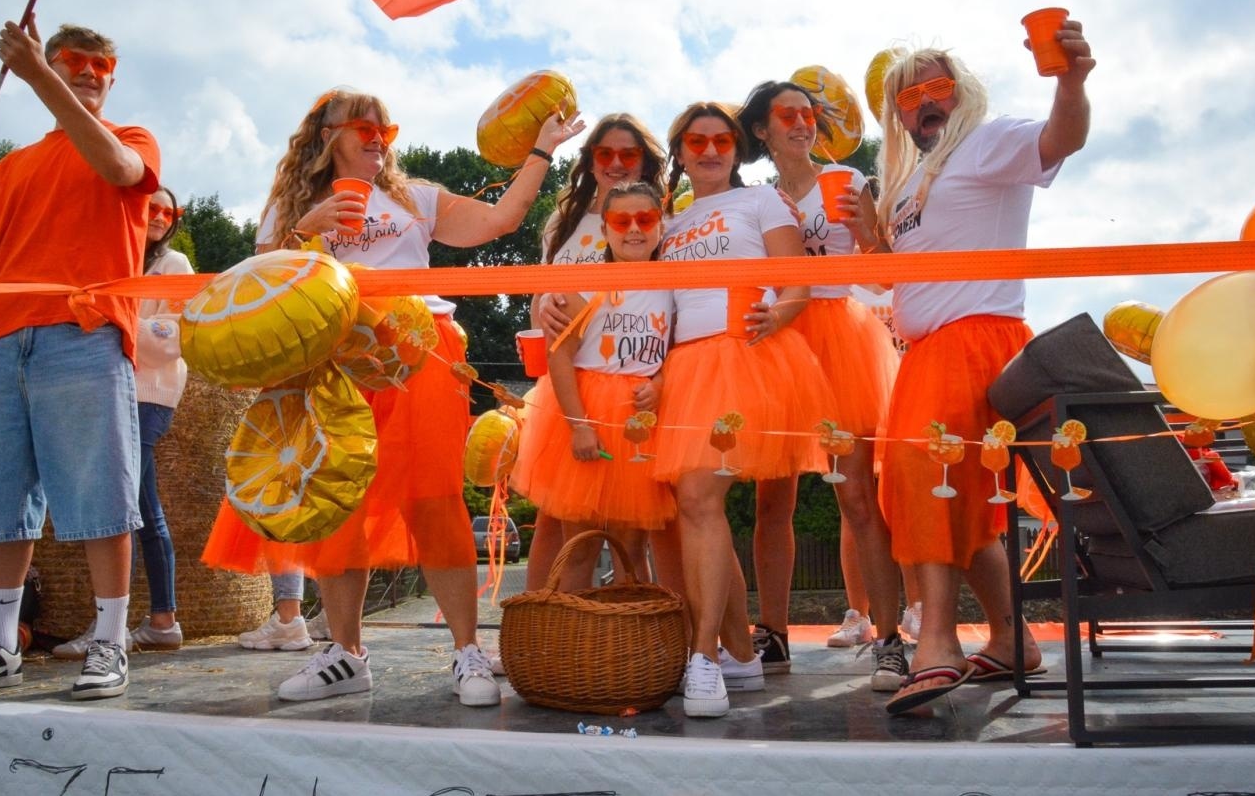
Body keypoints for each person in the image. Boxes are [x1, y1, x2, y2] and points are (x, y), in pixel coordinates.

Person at [203, 87, 581, 705]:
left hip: (420, 351)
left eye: (387, 129)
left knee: (435, 496)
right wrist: (303, 231)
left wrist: (541, 149)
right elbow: (263, 288)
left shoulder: (415, 198)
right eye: (364, 127)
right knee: (340, 504)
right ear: (327, 136)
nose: (379, 139)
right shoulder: (289, 209)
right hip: (335, 358)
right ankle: (347, 655)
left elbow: (499, 221)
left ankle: (467, 652)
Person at [0, 19, 160, 701]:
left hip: (83, 333)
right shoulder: (12, 165)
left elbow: (118, 170)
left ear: (112, 77)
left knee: (100, 495)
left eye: (101, 65)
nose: (89, 72)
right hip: (0, 339)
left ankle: (110, 642)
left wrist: (39, 77)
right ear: (53, 61)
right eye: (73, 61)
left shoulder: (133, 140)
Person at [873, 21, 1095, 714]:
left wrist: (1070, 82)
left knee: (919, 475)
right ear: (898, 114)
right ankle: (1012, 639)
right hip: (927, 350)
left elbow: (1061, 140)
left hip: (975, 338)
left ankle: (937, 642)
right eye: (909, 95)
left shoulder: (985, 140)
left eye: (938, 86)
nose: (924, 101)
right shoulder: (909, 180)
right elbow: (897, 279)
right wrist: (861, 232)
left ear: (962, 93)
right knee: (953, 496)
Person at [651, 101, 833, 718]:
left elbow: (797, 286)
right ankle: (740, 654)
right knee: (695, 508)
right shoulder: (668, 224)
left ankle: (704, 658)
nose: (708, 150)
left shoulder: (759, 202)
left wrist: (775, 315)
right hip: (682, 369)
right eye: (695, 141)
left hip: (743, 355)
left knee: (701, 501)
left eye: (720, 140)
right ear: (679, 152)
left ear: (736, 148)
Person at [737, 80, 907, 691]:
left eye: (809, 114)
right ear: (762, 129)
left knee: (857, 495)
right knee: (771, 501)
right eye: (788, 115)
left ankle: (889, 641)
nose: (802, 123)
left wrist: (869, 233)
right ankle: (773, 634)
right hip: (779, 341)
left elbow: (884, 276)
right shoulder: (751, 199)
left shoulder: (847, 180)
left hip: (840, 335)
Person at [522, 115, 671, 592]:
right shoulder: (564, 218)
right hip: (573, 381)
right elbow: (542, 291)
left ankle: (638, 639)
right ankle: (543, 625)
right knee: (558, 517)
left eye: (628, 153)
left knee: (638, 529)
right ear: (589, 161)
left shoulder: (662, 222)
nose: (615, 163)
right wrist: (539, 319)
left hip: (634, 385)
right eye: (603, 153)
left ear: (645, 161)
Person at [55, 187, 193, 657]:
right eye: (150, 208)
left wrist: (109, 319)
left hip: (147, 394)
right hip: (110, 389)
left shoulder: (174, 266)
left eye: (167, 211)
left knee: (129, 507)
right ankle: (158, 621)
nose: (158, 216)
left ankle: (126, 626)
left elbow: (175, 335)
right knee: (136, 505)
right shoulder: (115, 259)